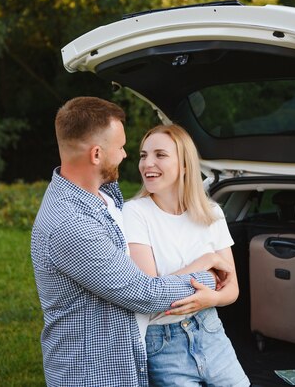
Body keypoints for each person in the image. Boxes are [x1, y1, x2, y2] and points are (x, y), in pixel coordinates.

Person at [30, 97, 232, 387]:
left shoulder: (103, 194)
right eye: (122, 147)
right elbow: (144, 292)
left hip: (120, 357)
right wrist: (210, 276)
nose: (126, 155)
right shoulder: (71, 223)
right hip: (92, 372)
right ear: (96, 154)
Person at [123, 124, 250, 387]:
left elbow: (232, 289)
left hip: (210, 330)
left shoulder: (211, 212)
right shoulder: (135, 213)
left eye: (160, 154)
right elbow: (150, 295)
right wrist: (204, 264)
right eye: (144, 155)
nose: (148, 163)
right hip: (162, 341)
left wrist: (210, 298)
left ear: (184, 165)